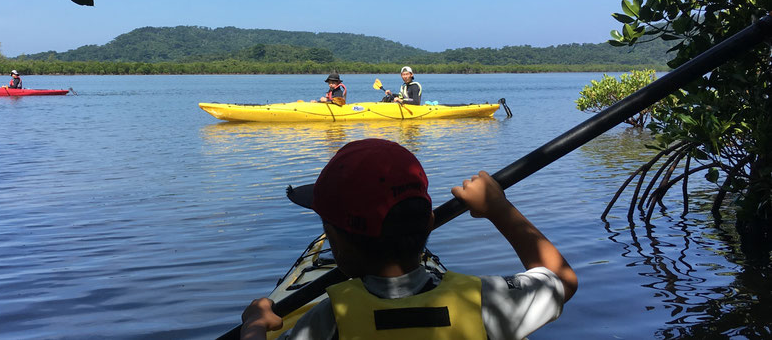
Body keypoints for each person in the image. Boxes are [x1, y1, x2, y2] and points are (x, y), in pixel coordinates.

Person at [241, 138, 578, 340]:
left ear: (337, 244)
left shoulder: (329, 319)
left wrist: (255, 326)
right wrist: (499, 209)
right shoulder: (487, 300)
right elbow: (563, 279)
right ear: (429, 224)